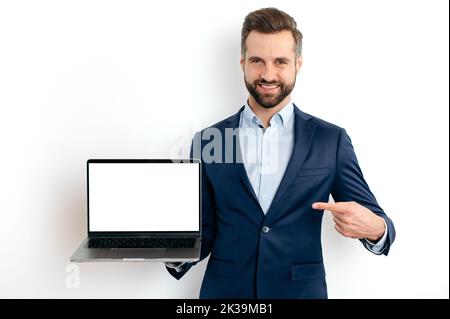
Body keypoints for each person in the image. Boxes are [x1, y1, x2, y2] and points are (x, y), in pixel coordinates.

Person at [165, 7, 396, 299]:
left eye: (280, 61)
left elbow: (381, 224)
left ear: (298, 64)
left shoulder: (330, 140)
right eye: (257, 61)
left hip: (300, 292)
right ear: (242, 62)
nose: (268, 74)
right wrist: (169, 247)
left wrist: (375, 227)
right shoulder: (210, 140)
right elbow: (206, 230)